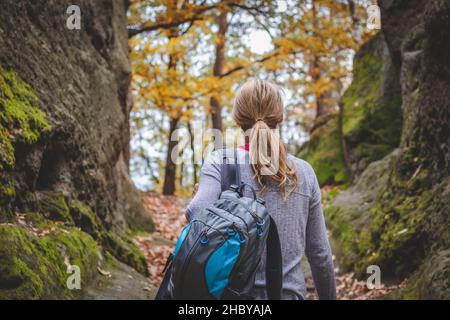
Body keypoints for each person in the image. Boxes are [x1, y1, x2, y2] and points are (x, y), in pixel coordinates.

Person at [186, 79, 336, 300]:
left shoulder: (221, 162)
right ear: (280, 117)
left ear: (238, 118)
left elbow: (196, 214)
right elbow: (320, 255)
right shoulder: (304, 172)